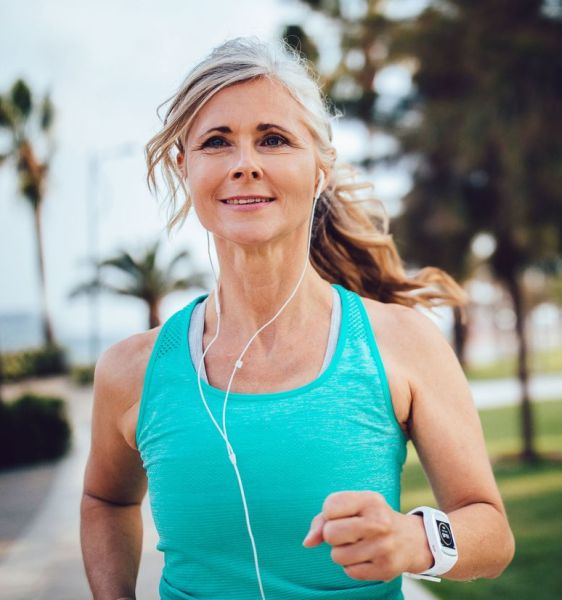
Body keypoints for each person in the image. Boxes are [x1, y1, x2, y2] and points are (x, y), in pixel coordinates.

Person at [80, 37, 514, 600]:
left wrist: (415, 539)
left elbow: (493, 533)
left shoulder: (400, 344)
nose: (244, 165)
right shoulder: (130, 371)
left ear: (320, 168)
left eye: (274, 139)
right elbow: (105, 500)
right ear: (185, 168)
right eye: (217, 142)